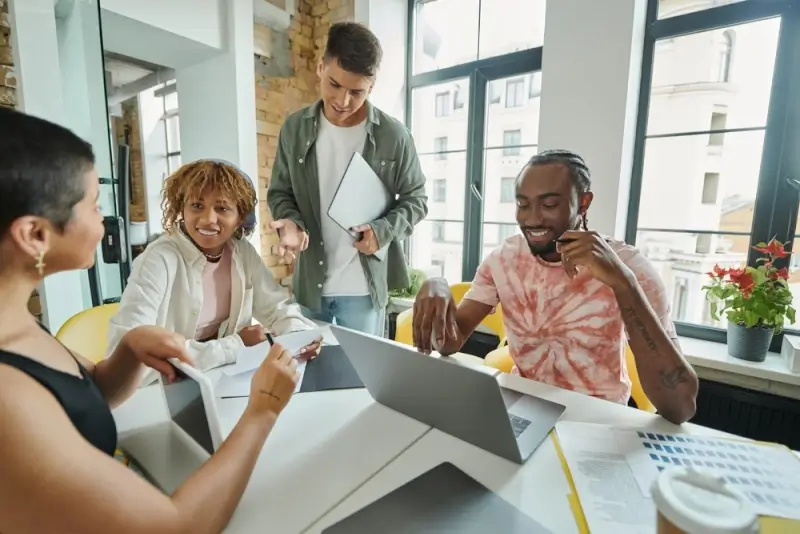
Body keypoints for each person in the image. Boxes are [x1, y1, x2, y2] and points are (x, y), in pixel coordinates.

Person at [0, 107, 300, 533]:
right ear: (35, 235)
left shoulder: (22, 327)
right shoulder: (8, 394)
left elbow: (89, 393)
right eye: (93, 205)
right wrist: (263, 410)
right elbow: (175, 527)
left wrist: (128, 351)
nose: (106, 223)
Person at [412, 150, 698, 425]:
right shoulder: (504, 260)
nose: (533, 219)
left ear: (583, 203)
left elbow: (680, 407)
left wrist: (623, 284)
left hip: (597, 423)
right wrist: (437, 286)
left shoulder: (630, 267)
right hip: (522, 414)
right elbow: (450, 343)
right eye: (523, 205)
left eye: (549, 205)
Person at [268, 21, 428, 336]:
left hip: (364, 290)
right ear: (320, 67)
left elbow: (417, 201)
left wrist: (381, 231)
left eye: (357, 91)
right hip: (310, 288)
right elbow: (280, 193)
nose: (343, 100)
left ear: (372, 84)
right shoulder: (294, 129)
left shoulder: (394, 136)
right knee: (310, 378)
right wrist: (289, 223)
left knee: (364, 380)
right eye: (334, 85)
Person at [108, 160, 320, 386]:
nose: (208, 219)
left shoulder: (242, 252)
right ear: (182, 208)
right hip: (163, 392)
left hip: (222, 383)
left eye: (222, 208)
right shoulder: (158, 259)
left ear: (240, 217)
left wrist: (301, 336)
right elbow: (127, 352)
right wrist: (236, 345)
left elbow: (277, 308)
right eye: (197, 206)